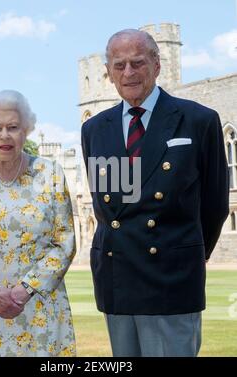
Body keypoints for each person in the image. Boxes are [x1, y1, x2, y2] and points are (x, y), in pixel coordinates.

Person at [81, 29, 229, 357]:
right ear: (108, 72)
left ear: (157, 65)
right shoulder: (94, 129)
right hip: (118, 277)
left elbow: (216, 204)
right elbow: (112, 205)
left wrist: (183, 252)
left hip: (171, 277)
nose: (128, 73)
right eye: (119, 65)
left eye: (137, 62)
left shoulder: (197, 120)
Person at [0, 90, 76, 357]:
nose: (4, 135)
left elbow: (64, 242)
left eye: (13, 127)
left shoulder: (50, 173)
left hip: (39, 308)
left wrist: (26, 289)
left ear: (26, 131)